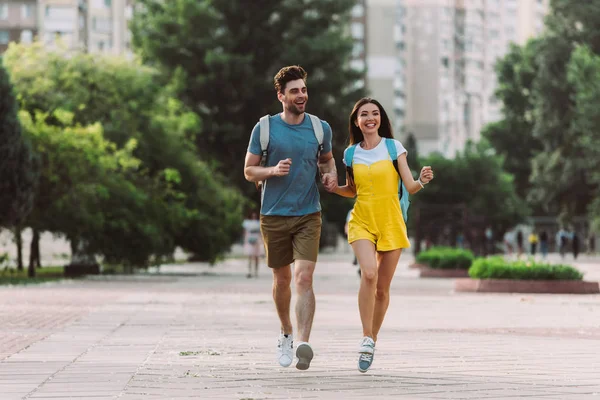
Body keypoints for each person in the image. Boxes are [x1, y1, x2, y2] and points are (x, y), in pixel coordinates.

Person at [325, 97, 434, 373]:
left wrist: (422, 180)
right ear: (357, 121)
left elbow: (409, 187)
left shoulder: (393, 147)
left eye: (375, 113)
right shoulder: (350, 153)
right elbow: (352, 190)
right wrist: (334, 188)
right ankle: (365, 337)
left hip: (391, 222)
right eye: (364, 114)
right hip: (362, 220)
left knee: (383, 289)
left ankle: (372, 339)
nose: (370, 118)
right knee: (369, 274)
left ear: (381, 119)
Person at [243, 65, 337, 371]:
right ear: (281, 95)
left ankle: (303, 343)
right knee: (282, 279)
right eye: (294, 90)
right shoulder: (265, 128)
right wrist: (272, 171)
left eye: (304, 90)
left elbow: (326, 160)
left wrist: (329, 176)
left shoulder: (320, 128)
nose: (301, 95)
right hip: (273, 215)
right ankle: (285, 331)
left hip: (309, 213)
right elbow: (249, 170)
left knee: (303, 277)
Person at [242, 211, 263, 278]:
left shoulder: (259, 222)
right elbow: (245, 231)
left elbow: (260, 232)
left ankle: (256, 272)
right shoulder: (247, 222)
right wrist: (245, 240)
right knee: (249, 256)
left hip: (257, 240)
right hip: (249, 240)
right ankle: (249, 271)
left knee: (256, 257)